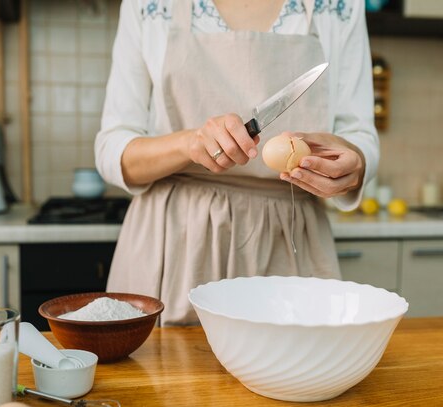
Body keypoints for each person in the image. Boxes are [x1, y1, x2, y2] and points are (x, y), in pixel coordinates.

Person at [95, 0, 379, 326]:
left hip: (289, 248)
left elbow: (360, 136)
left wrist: (352, 164)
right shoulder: (148, 6)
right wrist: (188, 143)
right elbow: (111, 148)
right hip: (173, 244)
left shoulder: (340, 6)